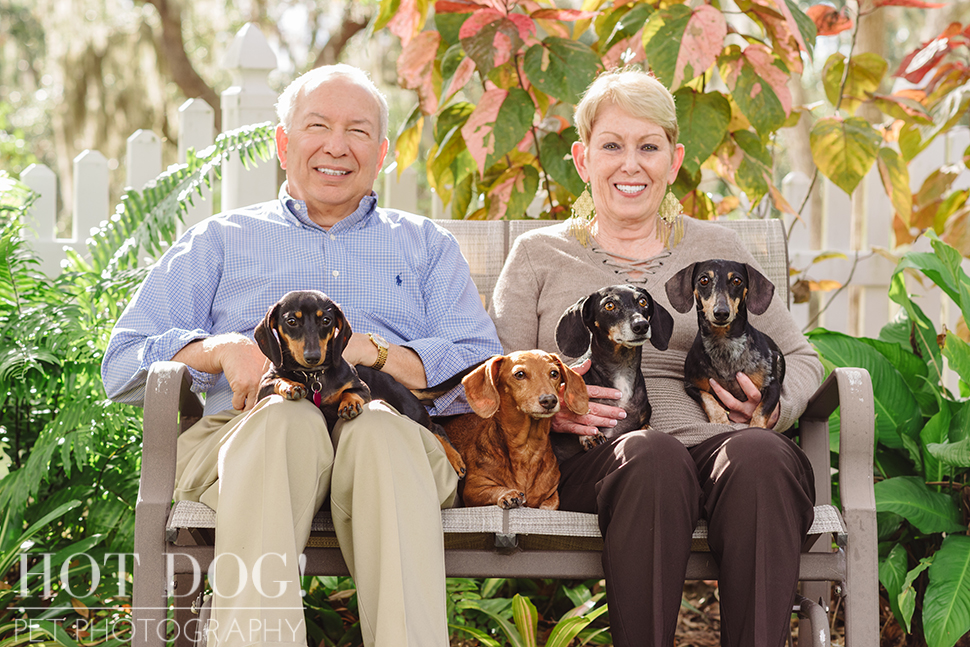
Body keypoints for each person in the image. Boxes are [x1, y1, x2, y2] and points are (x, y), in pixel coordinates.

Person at [102, 64, 502, 647]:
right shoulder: (221, 239)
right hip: (247, 436)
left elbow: (478, 369)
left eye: (358, 131)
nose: (336, 146)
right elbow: (122, 360)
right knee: (283, 421)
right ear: (284, 144)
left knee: (379, 429)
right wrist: (218, 349)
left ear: (383, 152)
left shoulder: (425, 247)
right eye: (317, 126)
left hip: (394, 446)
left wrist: (380, 352)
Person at [490, 66, 823, 647]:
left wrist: (771, 408)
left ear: (673, 159)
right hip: (598, 460)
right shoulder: (538, 256)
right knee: (653, 454)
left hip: (719, 449)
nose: (631, 164)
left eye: (649, 147)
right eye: (612, 145)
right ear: (582, 157)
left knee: (762, 456)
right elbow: (496, 372)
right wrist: (548, 410)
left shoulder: (718, 251)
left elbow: (803, 356)